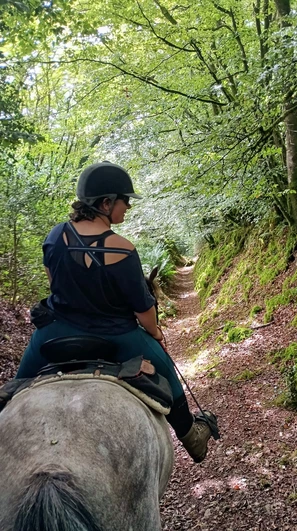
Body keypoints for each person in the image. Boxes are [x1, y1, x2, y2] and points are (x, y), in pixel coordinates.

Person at [16, 161, 217, 463]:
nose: (128, 207)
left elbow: (54, 283)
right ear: (106, 203)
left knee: (14, 389)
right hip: (118, 336)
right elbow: (143, 309)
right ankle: (192, 438)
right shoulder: (122, 249)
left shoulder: (55, 237)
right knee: (170, 376)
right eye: (125, 201)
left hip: (56, 331)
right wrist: (156, 333)